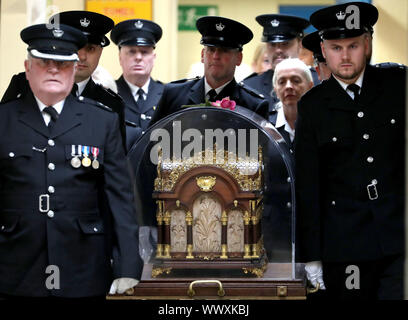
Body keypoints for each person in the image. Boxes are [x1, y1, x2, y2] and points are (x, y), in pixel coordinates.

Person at [0, 23, 142, 298]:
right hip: (14, 264)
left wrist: (127, 265)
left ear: (74, 69)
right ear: (28, 69)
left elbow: (119, 198)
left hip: (83, 265)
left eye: (63, 64)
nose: (54, 69)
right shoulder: (4, 120)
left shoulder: (102, 121)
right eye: (44, 62)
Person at [295, 2, 405, 299]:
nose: (344, 56)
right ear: (324, 49)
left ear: (367, 44)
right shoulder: (313, 105)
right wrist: (311, 255)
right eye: (335, 47)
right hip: (345, 241)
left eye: (353, 45)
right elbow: (308, 185)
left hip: (398, 234)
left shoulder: (397, 86)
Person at [1, 10, 128, 153]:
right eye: (76, 47)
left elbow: (117, 163)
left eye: (91, 48)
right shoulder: (24, 86)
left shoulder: (110, 104)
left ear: (100, 52)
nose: (82, 56)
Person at [150, 16, 268, 125]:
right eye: (211, 50)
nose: (216, 56)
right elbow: (151, 140)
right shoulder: (174, 95)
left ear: (239, 58)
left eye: (224, 50)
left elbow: (261, 147)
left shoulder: (253, 105)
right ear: (202, 55)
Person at [243, 14, 317, 123]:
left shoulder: (318, 81)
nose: (278, 50)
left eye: (285, 44)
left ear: (300, 45)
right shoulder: (250, 88)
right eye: (272, 44)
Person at [111, 19, 164, 150]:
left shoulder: (167, 93)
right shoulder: (108, 94)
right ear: (120, 57)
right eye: (131, 52)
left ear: (154, 57)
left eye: (145, 52)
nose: (138, 57)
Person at [272, 58, 313, 148]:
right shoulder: (265, 124)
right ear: (275, 90)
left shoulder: (322, 122)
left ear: (310, 87)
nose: (288, 86)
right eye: (282, 82)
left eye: (296, 81)